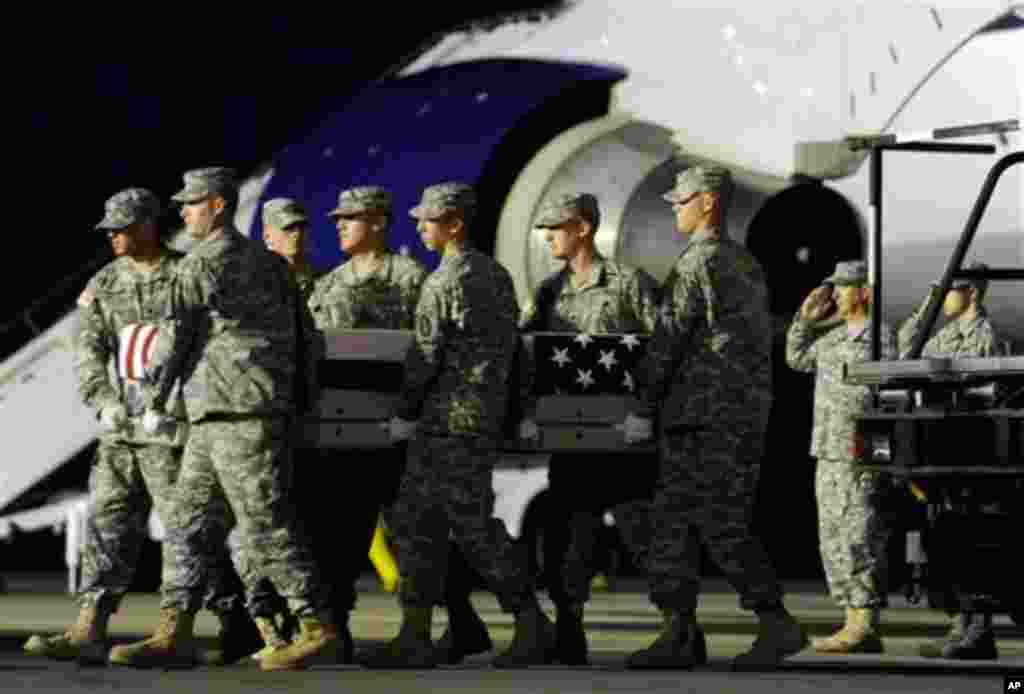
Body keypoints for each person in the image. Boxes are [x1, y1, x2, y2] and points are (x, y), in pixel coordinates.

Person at [108, 167, 335, 672]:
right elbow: (307, 340)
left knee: (265, 524)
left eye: (190, 204)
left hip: (237, 415)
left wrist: (150, 399)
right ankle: (174, 631)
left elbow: (174, 340)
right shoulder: (273, 265)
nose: (183, 212)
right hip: (230, 415)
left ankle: (318, 626)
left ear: (216, 206)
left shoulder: (199, 265)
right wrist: (304, 402)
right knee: (188, 523)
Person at [24, 188, 259, 666]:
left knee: (187, 531)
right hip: (121, 431)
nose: (113, 237)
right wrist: (104, 402)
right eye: (109, 229)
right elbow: (88, 350)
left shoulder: (185, 275)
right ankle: (89, 625)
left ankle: (203, 624)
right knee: (109, 526)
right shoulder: (105, 283)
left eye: (122, 228)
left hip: (173, 430)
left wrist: (184, 406)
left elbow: (209, 348)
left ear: (149, 226)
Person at [357, 182, 555, 669]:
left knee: (464, 527)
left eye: (428, 220)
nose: (420, 227)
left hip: (446, 421)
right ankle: (421, 631)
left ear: (454, 224)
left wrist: (404, 413)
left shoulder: (444, 282)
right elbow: (515, 351)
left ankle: (530, 622)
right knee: (422, 523)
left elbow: (425, 355)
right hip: (479, 418)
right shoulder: (497, 276)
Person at [622, 165, 807, 670]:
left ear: (706, 202)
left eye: (680, 201)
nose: (675, 209)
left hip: (704, 415)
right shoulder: (744, 262)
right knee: (680, 523)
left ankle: (774, 623)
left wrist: (642, 407)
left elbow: (669, 340)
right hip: (736, 412)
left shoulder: (698, 264)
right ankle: (681, 632)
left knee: (713, 523)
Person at [310, 185, 491, 665]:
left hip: (399, 434)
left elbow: (430, 352)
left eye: (351, 218)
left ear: (378, 223)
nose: (340, 225)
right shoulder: (327, 285)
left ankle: (453, 620)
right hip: (344, 436)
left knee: (417, 534)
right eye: (338, 219)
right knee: (341, 536)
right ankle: (337, 632)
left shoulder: (412, 279)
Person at [514, 192, 661, 664]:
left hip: (624, 440)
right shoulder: (548, 291)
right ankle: (569, 629)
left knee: (648, 538)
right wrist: (529, 415)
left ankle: (681, 626)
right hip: (572, 438)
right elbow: (530, 358)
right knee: (565, 538)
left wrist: (645, 410)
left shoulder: (628, 283)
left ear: (583, 228)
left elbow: (661, 350)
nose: (550, 236)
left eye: (557, 228)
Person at [787, 259, 897, 655]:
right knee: (831, 536)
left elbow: (883, 392)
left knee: (860, 534)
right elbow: (796, 358)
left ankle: (864, 621)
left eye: (844, 287)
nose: (835, 293)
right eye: (834, 286)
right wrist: (805, 318)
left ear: (864, 292)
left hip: (858, 451)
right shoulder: (832, 338)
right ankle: (852, 619)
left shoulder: (880, 340)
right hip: (828, 450)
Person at [897, 262, 1002, 660]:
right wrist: (930, 301)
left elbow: (971, 389)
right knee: (945, 539)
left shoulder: (980, 336)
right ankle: (960, 626)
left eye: (950, 291)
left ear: (971, 292)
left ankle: (979, 630)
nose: (944, 300)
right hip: (943, 448)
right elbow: (909, 345)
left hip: (969, 449)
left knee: (970, 540)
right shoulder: (946, 332)